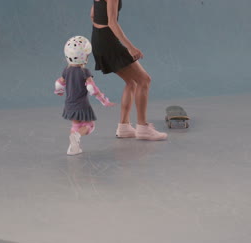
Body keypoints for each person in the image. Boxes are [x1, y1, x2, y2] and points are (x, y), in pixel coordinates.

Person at [90, 0, 167, 140]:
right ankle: (143, 128)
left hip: (97, 39)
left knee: (131, 82)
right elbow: (112, 22)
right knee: (144, 80)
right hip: (108, 41)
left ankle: (124, 127)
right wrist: (130, 47)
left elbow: (93, 14)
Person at [54, 36, 115, 155]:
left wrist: (59, 91)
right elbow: (92, 88)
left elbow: (58, 83)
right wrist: (104, 100)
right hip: (82, 105)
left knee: (76, 125)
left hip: (69, 105)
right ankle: (76, 136)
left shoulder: (66, 71)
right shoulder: (84, 72)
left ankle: (73, 148)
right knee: (89, 125)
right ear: (84, 56)